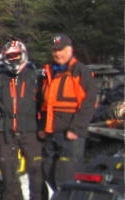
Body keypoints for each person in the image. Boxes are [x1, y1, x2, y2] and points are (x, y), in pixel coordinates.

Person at [0, 40, 47, 200]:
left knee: (36, 167)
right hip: (7, 129)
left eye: (15, 56)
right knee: (7, 167)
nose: (13, 59)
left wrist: (44, 126)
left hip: (31, 128)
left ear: (23, 55)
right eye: (9, 56)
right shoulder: (1, 79)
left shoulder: (34, 76)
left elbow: (44, 103)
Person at [40, 33, 98, 191]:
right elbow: (44, 104)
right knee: (47, 171)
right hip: (51, 132)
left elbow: (89, 103)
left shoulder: (81, 72)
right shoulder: (49, 72)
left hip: (70, 133)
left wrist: (76, 129)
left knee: (66, 175)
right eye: (55, 50)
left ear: (70, 49)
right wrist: (41, 127)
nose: (58, 53)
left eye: (61, 49)